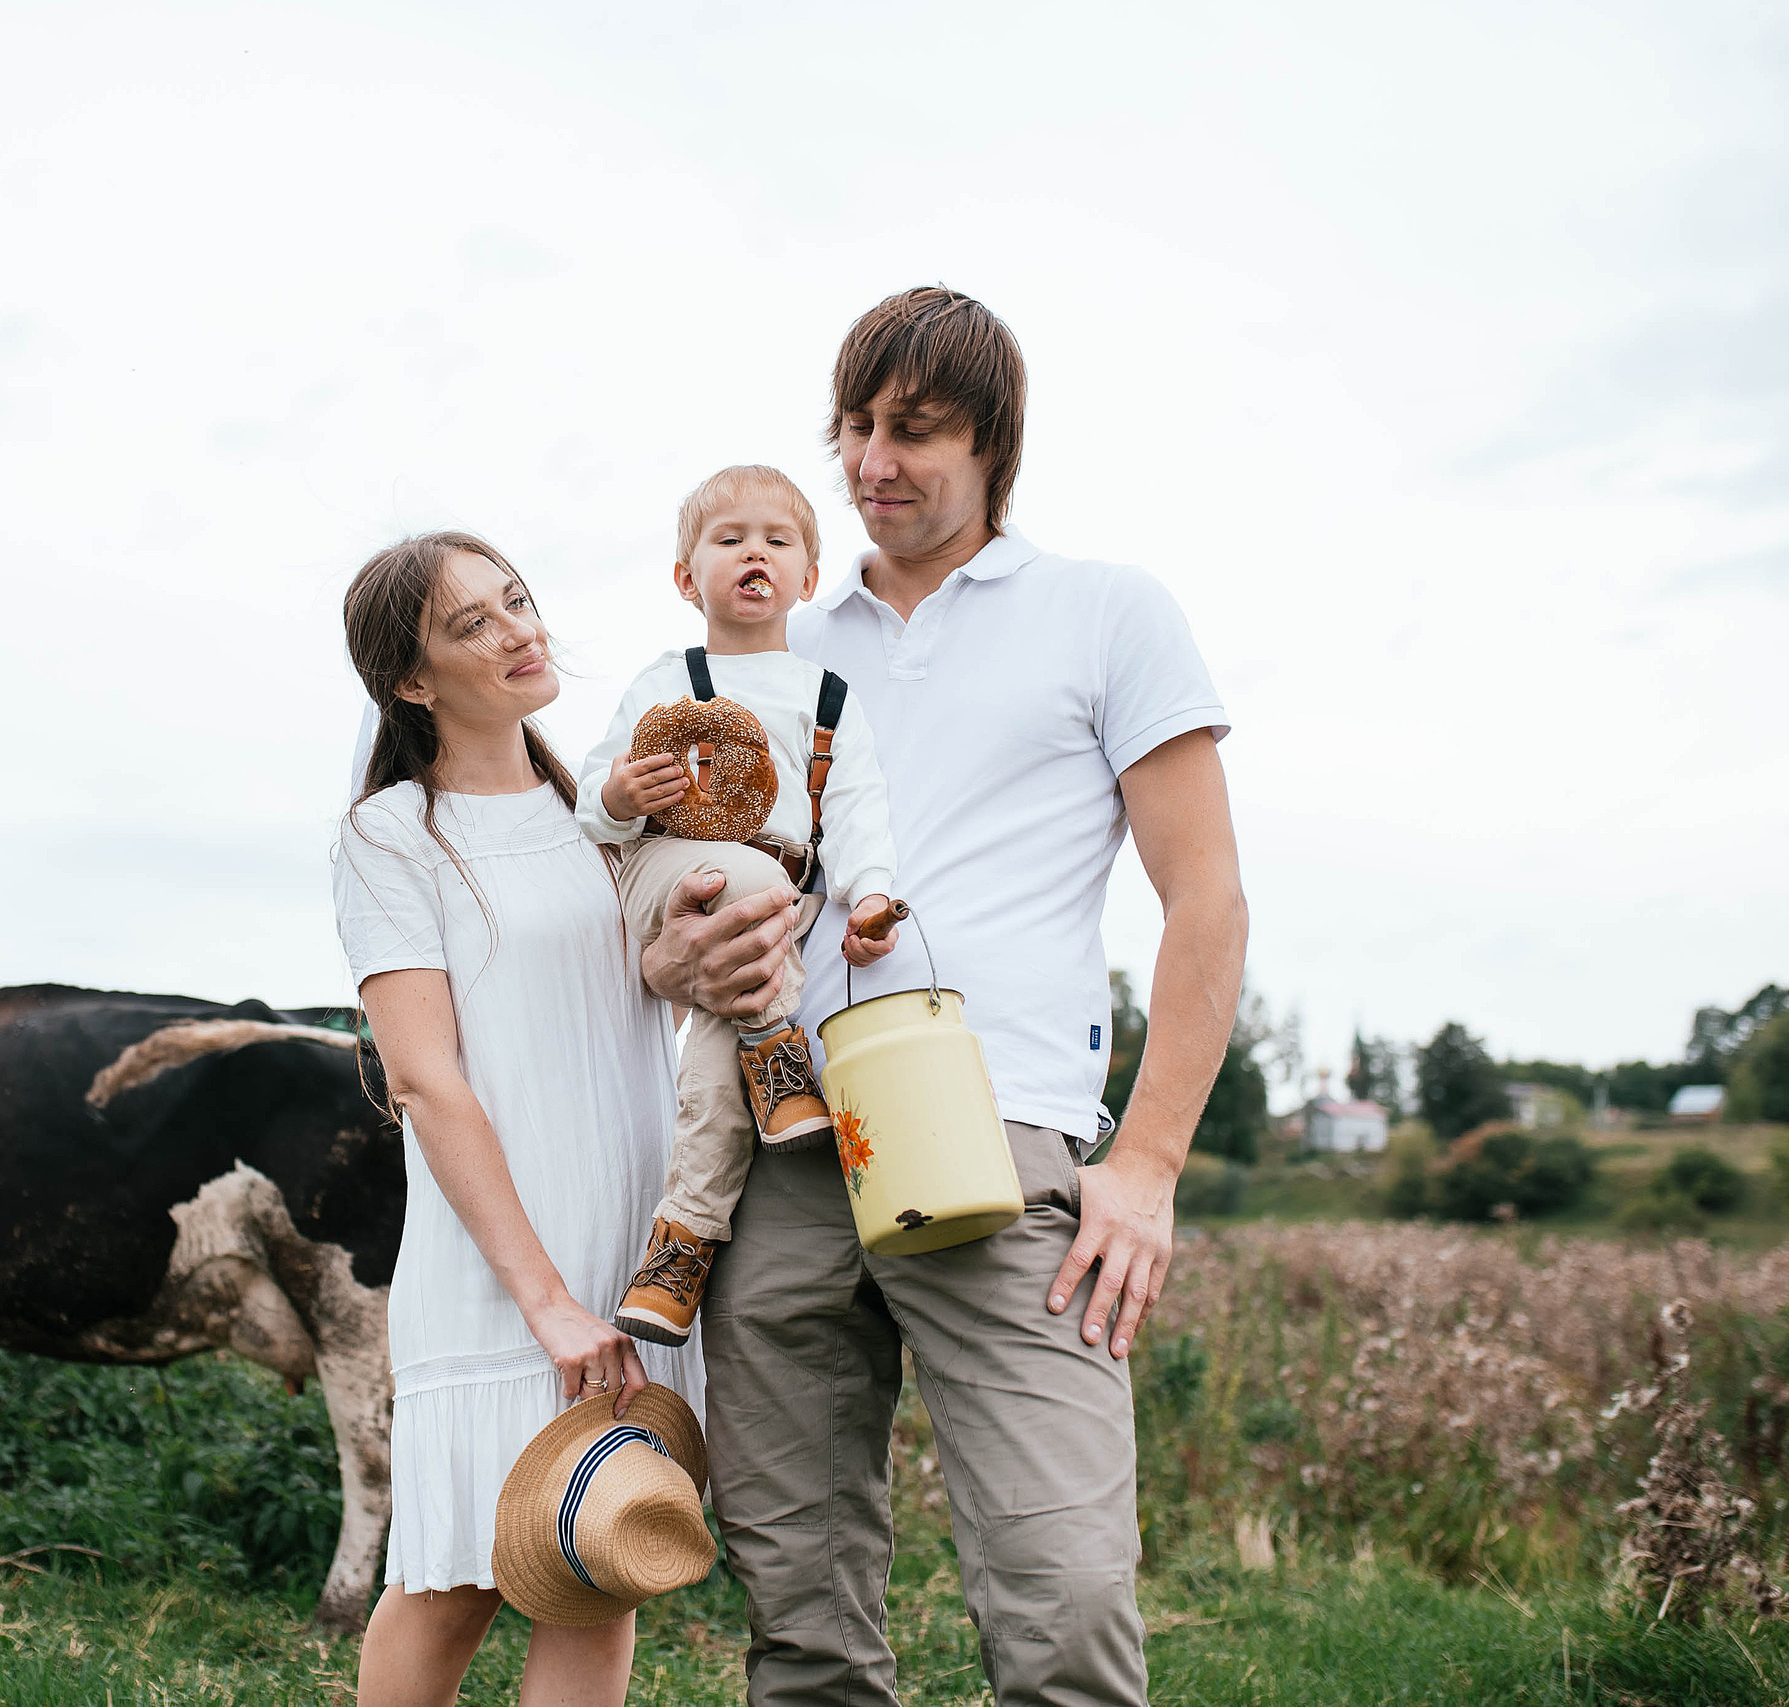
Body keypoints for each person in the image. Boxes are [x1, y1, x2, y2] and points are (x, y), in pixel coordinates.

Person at [642, 287, 1248, 1705]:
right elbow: (665, 891)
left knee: (1066, 1598)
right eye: (853, 427)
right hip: (780, 1144)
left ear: (995, 444)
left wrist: (1147, 1162)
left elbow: (1207, 899)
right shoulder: (772, 639)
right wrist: (676, 958)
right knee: (800, 1611)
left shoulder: (1106, 612)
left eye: (913, 430)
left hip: (1007, 1133)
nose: (870, 462)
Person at [331, 531, 704, 1707]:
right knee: (452, 1589)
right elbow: (427, 1081)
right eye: (473, 624)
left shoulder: (609, 815)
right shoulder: (393, 834)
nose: (519, 630)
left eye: (518, 602)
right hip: (503, 1269)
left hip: (633, 1256)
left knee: (595, 1569)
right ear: (411, 680)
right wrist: (544, 1299)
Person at [573, 464, 902, 1349]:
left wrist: (868, 899)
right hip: (673, 873)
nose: (753, 552)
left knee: (713, 1053)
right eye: (728, 540)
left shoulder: (829, 697)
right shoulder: (665, 681)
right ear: (689, 579)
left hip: (775, 902)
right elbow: (590, 812)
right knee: (752, 895)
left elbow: (860, 815)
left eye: (777, 539)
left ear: (805, 574)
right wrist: (622, 789)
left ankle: (678, 1251)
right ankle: (776, 1046)